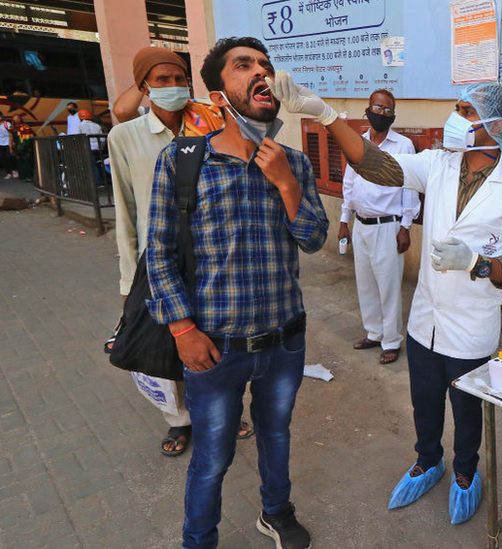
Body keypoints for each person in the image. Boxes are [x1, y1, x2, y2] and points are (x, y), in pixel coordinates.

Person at [268, 73, 502, 524]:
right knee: (425, 401)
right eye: (456, 108)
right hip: (425, 320)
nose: (455, 118)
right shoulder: (438, 164)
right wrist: (326, 115)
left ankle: (467, 473)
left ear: (496, 127)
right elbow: (377, 164)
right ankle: (428, 460)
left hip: (471, 326)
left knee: (467, 409)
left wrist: (478, 263)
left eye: (466, 112)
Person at [146, 37, 328, 549]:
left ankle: (276, 513)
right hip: (214, 345)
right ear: (218, 91)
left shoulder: (293, 161)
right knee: (212, 457)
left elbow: (313, 239)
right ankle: (198, 539)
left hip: (284, 341)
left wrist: (286, 184)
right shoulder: (183, 162)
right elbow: (157, 253)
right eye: (243, 65)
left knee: (276, 434)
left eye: (266, 65)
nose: (260, 73)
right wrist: (182, 329)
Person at [107, 46, 244, 459]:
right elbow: (125, 211)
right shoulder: (125, 136)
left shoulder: (209, 123)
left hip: (212, 255)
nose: (172, 87)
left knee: (220, 339)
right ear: (145, 87)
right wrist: (129, 280)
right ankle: (179, 420)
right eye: (161, 80)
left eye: (179, 78)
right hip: (160, 261)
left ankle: (224, 411)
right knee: (168, 343)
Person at [338, 89, 419, 364]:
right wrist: (343, 221)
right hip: (361, 225)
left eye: (387, 109)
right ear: (367, 109)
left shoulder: (403, 145)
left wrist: (405, 226)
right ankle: (374, 333)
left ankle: (392, 340)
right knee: (366, 284)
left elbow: (409, 187)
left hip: (388, 227)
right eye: (377, 107)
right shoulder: (358, 143)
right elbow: (349, 185)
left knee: (388, 286)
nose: (381, 113)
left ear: (393, 114)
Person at [11, 114, 35, 183]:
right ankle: (23, 176)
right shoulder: (13, 128)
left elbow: (30, 136)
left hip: (26, 147)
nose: (16, 120)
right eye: (14, 119)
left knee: (27, 162)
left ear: (20, 119)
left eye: (17, 118)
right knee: (20, 162)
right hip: (18, 147)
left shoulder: (26, 127)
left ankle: (29, 176)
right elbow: (12, 137)